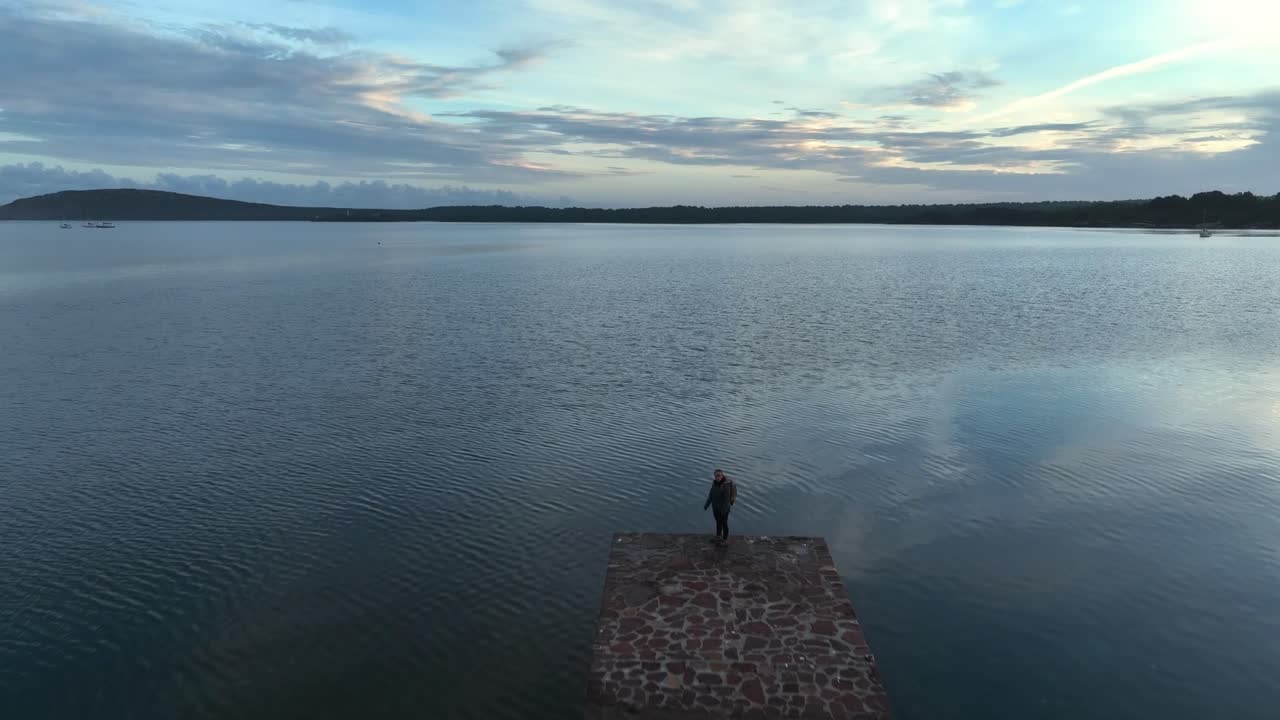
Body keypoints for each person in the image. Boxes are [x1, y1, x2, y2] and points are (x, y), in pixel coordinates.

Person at [703, 469, 737, 544]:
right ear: (714, 476)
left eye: (719, 475)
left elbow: (726, 499)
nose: (717, 477)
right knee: (718, 523)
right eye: (716, 476)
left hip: (724, 509)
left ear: (722, 475)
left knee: (724, 523)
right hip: (715, 508)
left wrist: (724, 510)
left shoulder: (726, 485)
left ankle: (725, 540)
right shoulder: (714, 484)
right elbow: (711, 495)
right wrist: (707, 504)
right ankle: (718, 536)